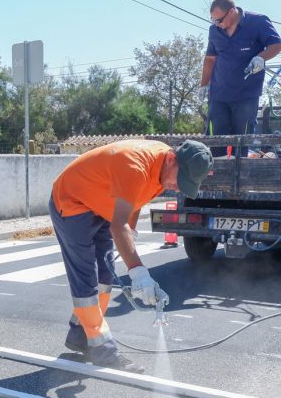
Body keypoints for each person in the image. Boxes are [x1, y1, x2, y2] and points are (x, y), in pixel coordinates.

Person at [49, 139, 213, 373]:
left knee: (105, 274)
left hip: (101, 206)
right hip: (72, 202)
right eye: (180, 180)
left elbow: (133, 202)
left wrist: (130, 239)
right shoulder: (136, 165)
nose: (178, 187)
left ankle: (79, 335)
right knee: (86, 278)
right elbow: (119, 225)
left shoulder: (162, 170)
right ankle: (104, 352)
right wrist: (138, 272)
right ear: (171, 159)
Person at [200, 0, 281, 157]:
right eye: (213, 20)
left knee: (242, 142)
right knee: (216, 142)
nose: (217, 24)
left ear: (231, 12)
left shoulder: (257, 22)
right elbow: (210, 59)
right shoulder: (214, 31)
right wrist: (203, 85)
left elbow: (277, 45)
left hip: (246, 95)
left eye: (219, 20)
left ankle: (239, 180)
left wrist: (261, 57)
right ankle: (218, 179)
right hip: (218, 95)